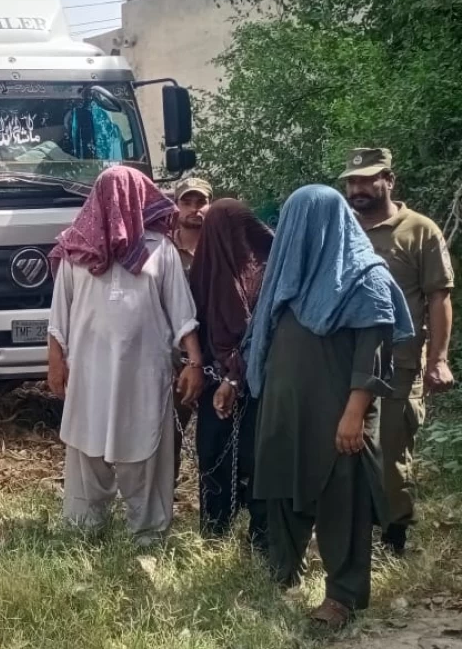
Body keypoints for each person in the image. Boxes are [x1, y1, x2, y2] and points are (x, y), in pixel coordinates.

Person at [243, 184, 413, 630]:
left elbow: (373, 354)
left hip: (340, 416)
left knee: (344, 502)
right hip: (286, 412)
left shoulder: (365, 278)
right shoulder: (286, 276)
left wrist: (355, 413)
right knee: (282, 489)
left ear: (330, 223)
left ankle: (344, 594)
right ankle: (282, 575)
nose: (296, 232)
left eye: (306, 222)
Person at [48, 165, 204, 546]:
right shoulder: (76, 249)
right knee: (86, 448)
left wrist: (195, 363)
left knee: (146, 449)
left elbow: (182, 312)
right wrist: (55, 361)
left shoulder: (160, 249)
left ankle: (148, 536)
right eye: (109, 193)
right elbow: (59, 314)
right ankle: (84, 533)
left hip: (144, 372)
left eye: (125, 193)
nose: (117, 202)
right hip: (88, 374)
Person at [342, 148, 456, 555]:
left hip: (400, 362)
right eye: (351, 182)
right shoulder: (343, 228)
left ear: (389, 180)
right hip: (346, 362)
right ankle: (352, 532)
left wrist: (438, 360)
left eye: (366, 180)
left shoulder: (419, 230)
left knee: (390, 453)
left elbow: (438, 297)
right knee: (347, 447)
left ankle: (394, 537)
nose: (357, 189)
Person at [187, 199, 272, 551]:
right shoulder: (203, 270)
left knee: (255, 457)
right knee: (213, 452)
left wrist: (236, 375)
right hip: (211, 380)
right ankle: (214, 531)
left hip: (257, 380)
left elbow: (266, 330)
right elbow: (191, 324)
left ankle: (260, 534)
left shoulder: (268, 271)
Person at [169, 177, 214, 482]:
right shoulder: (162, 250)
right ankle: (162, 501)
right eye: (187, 202)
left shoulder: (222, 250)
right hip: (173, 358)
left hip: (215, 356)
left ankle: (214, 509)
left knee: (214, 437)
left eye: (201, 202)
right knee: (167, 434)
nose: (194, 209)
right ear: (176, 206)